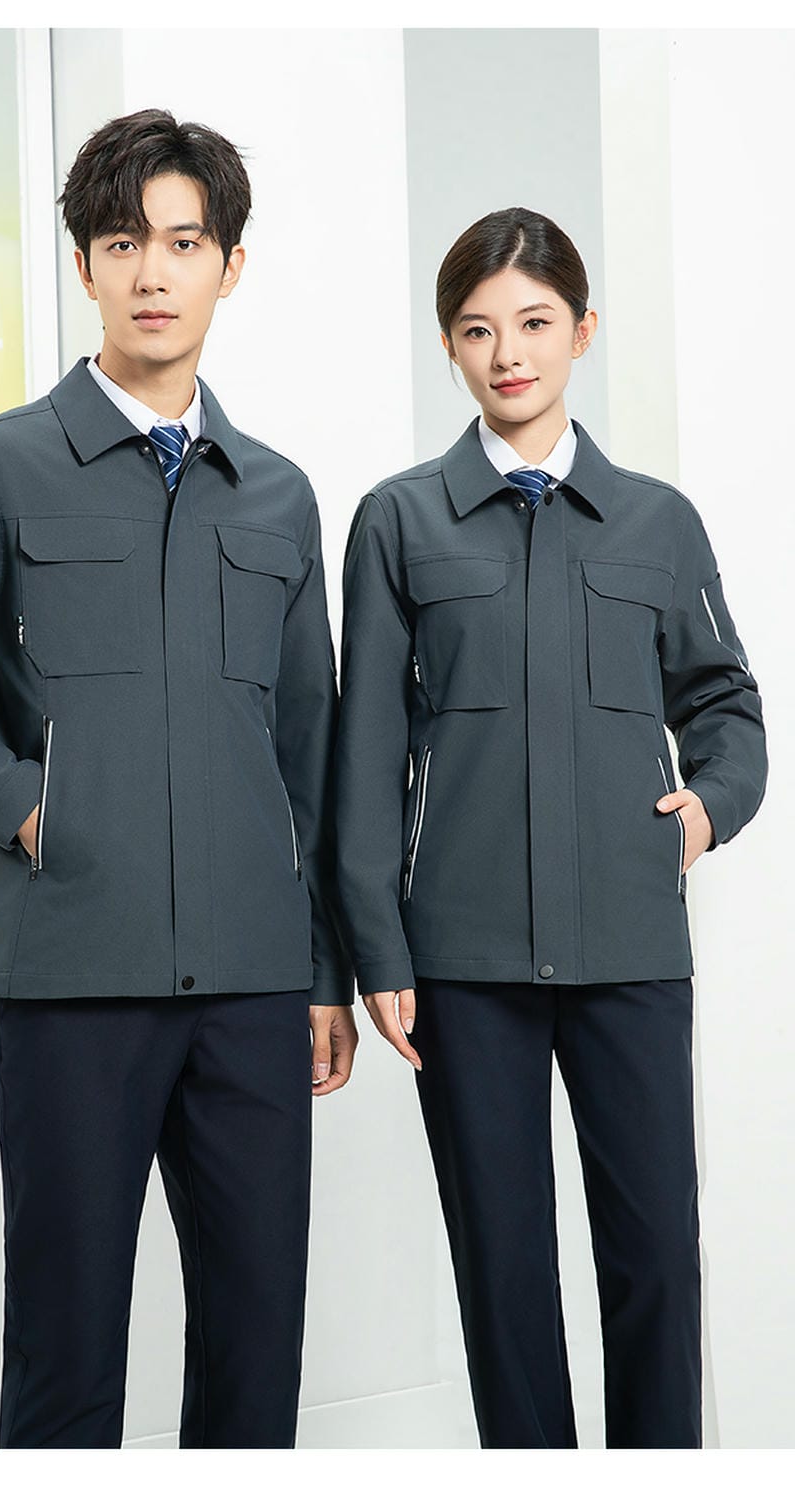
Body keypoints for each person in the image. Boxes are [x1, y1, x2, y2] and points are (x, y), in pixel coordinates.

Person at [0, 108, 356, 1449]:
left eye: (183, 242)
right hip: (72, 981)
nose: (152, 272)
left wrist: (324, 972)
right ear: (84, 266)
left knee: (256, 1355)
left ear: (230, 264)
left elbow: (309, 742)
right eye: (123, 243)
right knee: (64, 1355)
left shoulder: (277, 496)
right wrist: (19, 803)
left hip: (252, 986)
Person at [335, 206, 766, 1449]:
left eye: (532, 323)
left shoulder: (656, 520)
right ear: (447, 345)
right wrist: (378, 948)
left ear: (582, 331)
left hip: (630, 947)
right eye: (477, 330)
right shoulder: (399, 520)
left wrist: (709, 807)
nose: (507, 353)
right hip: (463, 961)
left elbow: (726, 702)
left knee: (654, 1256)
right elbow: (362, 752)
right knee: (503, 1264)